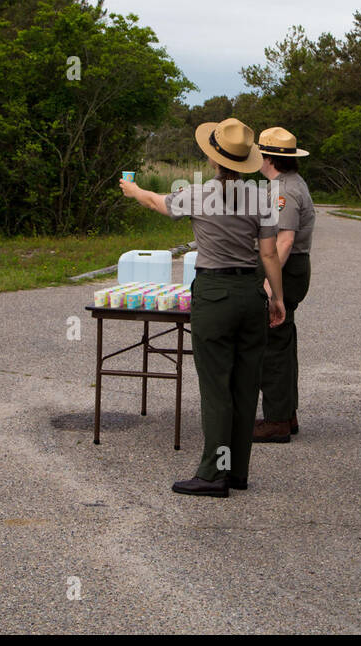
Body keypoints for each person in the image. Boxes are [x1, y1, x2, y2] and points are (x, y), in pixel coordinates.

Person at [121, 117, 285, 497]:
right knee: (246, 388)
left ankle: (214, 474)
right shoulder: (262, 197)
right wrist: (276, 297)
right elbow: (269, 253)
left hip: (214, 293)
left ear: (214, 160)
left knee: (216, 389)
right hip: (250, 293)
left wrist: (133, 189)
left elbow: (154, 201)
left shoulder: (196, 194)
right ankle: (237, 471)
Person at [252, 127, 315, 443]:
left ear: (267, 157)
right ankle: (286, 414)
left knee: (272, 345)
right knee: (283, 341)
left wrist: (270, 285)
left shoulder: (284, 191)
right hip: (289, 269)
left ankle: (276, 420)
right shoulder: (287, 183)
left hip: (284, 269)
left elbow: (285, 241)